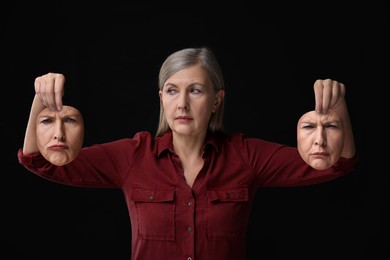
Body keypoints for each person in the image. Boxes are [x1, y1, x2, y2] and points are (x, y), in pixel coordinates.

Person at [18, 47, 357, 260]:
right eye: (172, 90)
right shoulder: (132, 157)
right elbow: (39, 162)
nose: (181, 103)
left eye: (195, 90)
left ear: (216, 99)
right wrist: (41, 102)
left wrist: (337, 108)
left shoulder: (246, 156)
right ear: (161, 97)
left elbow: (336, 165)